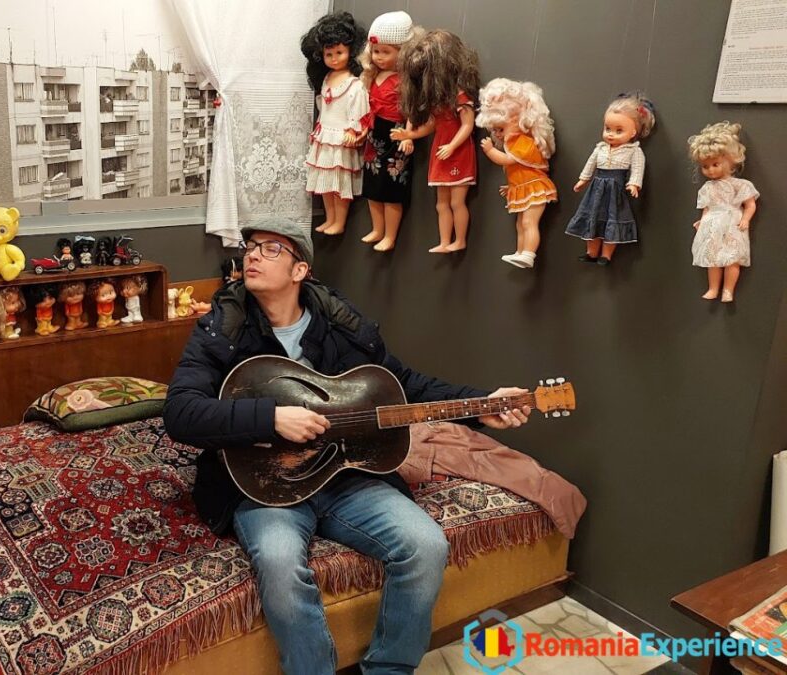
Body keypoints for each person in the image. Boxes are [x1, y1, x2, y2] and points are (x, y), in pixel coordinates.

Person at [163, 218, 532, 675]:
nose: (252, 256)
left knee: (426, 545)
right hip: (264, 484)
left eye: (270, 249)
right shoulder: (222, 327)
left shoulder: (343, 326)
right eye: (250, 247)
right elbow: (180, 413)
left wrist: (478, 407)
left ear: (301, 271)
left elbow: (405, 386)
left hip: (346, 474)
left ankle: (389, 669)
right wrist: (271, 418)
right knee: (279, 564)